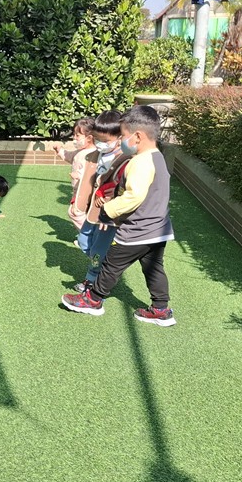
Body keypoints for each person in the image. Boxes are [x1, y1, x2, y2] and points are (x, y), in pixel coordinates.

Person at [61, 105, 176, 327]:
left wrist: (108, 211)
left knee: (111, 266)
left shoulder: (139, 162)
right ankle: (161, 309)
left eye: (123, 136)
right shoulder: (158, 157)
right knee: (154, 269)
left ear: (138, 136)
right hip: (158, 229)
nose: (122, 141)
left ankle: (93, 300)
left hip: (136, 231)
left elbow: (134, 196)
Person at [72, 110, 131, 292]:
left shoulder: (125, 159)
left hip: (108, 215)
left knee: (98, 250)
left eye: (105, 141)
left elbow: (121, 187)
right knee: (84, 240)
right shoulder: (96, 155)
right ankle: (103, 269)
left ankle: (92, 280)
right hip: (93, 211)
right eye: (98, 139)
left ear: (119, 138)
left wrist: (110, 211)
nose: (101, 144)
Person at [54, 117, 96, 243]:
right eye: (74, 135)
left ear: (89, 138)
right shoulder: (80, 152)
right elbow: (69, 156)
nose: (74, 138)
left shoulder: (93, 154)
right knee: (81, 213)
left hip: (85, 191)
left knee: (75, 212)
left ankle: (89, 237)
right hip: (77, 189)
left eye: (78, 135)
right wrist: (60, 151)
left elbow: (93, 172)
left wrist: (80, 176)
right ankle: (86, 236)